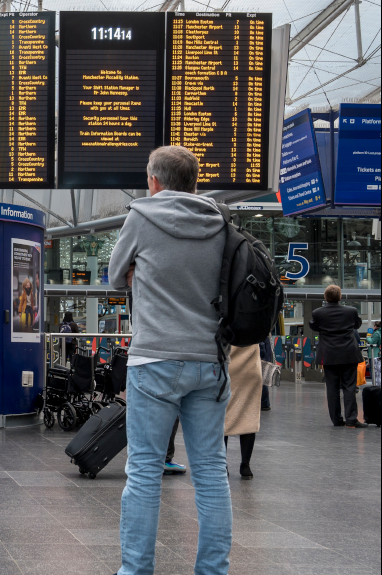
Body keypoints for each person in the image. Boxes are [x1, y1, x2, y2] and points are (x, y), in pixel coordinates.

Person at [108, 146, 232, 575]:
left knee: (143, 470)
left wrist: (137, 273)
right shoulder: (221, 221)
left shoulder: (141, 216)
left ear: (154, 181)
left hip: (154, 359)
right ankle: (213, 570)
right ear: (194, 182)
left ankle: (136, 570)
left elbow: (112, 275)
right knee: (212, 470)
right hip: (209, 362)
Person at [310, 285, 366, 428]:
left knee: (332, 388)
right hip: (349, 354)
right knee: (349, 387)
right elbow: (357, 325)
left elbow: (314, 327)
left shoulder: (318, 313)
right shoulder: (351, 311)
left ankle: (337, 420)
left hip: (329, 355)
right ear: (340, 297)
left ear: (325, 297)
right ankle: (351, 419)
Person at [224, 345, 263, 479]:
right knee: (249, 415)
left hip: (228, 367)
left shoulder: (225, 322)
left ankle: (222, 465)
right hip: (251, 369)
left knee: (224, 417)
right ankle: (245, 466)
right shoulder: (256, 323)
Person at [260, 337, 273, 411]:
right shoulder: (265, 333)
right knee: (263, 380)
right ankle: (264, 403)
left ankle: (264, 402)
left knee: (262, 380)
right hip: (263, 357)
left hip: (261, 358)